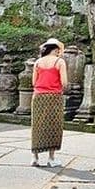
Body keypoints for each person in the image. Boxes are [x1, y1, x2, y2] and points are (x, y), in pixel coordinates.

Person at [31, 38, 68, 167]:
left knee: (37, 126)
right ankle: (51, 158)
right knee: (53, 126)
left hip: (38, 97)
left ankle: (35, 158)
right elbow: (64, 82)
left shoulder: (37, 62)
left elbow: (34, 82)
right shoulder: (59, 62)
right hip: (54, 97)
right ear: (56, 49)